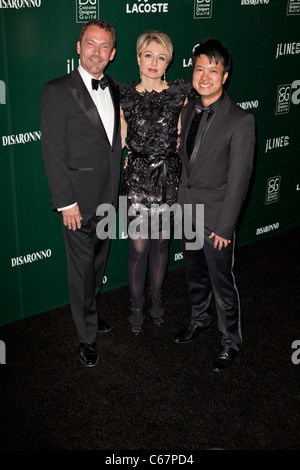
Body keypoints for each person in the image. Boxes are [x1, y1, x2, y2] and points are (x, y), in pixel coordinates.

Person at [41, 20, 123, 367]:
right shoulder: (57, 90)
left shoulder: (116, 87)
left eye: (104, 47)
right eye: (91, 44)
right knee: (81, 269)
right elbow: (53, 151)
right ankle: (86, 336)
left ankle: (90, 310)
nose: (97, 52)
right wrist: (66, 202)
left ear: (113, 53)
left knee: (98, 264)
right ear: (79, 47)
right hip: (76, 202)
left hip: (108, 197)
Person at [173, 38, 256, 372]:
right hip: (188, 213)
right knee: (195, 277)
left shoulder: (240, 121)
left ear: (225, 75)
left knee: (223, 284)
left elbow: (240, 179)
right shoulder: (189, 109)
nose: (204, 76)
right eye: (198, 69)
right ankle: (199, 319)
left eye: (213, 70)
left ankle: (230, 341)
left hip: (216, 220)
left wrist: (225, 227)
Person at [120, 30, 192, 334]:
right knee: (138, 248)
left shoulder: (180, 95)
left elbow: (185, 138)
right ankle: (136, 306)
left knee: (162, 243)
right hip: (137, 179)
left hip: (167, 179)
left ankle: (157, 298)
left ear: (168, 63)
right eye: (148, 55)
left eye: (161, 57)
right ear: (138, 58)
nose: (154, 62)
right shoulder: (124, 96)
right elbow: (121, 140)